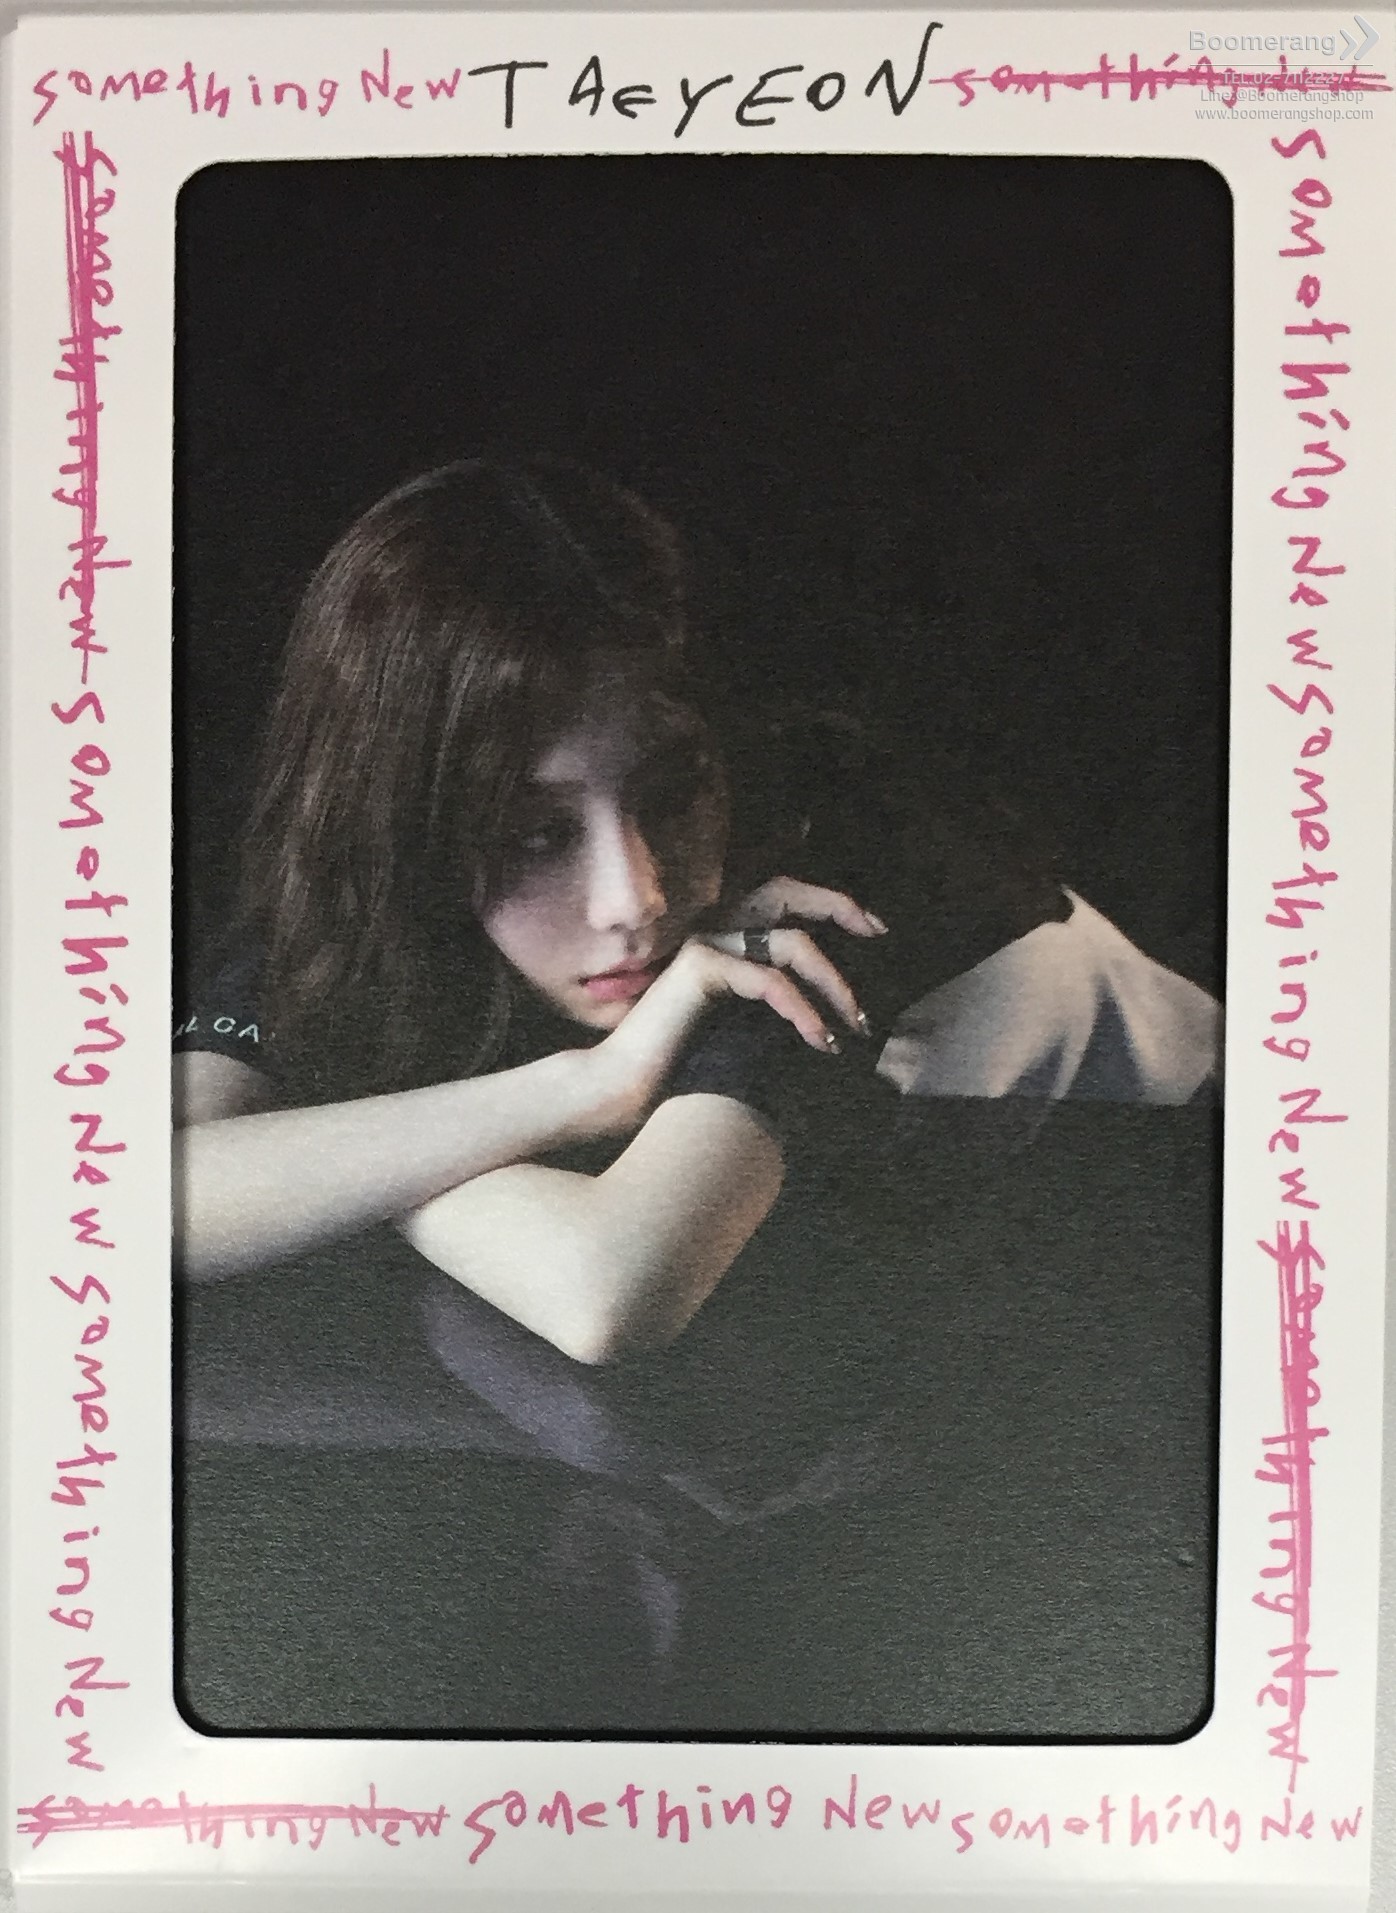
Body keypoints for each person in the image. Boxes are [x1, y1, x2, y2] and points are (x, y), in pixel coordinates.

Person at [173, 455, 1220, 1734]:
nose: (641, 897)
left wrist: (346, 1145)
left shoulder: (825, 876)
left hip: (1168, 1268)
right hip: (837, 1339)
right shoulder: (364, 893)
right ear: (400, 823)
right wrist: (582, 1086)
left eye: (672, 792)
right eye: (533, 831)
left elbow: (608, 1287)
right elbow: (144, 1194)